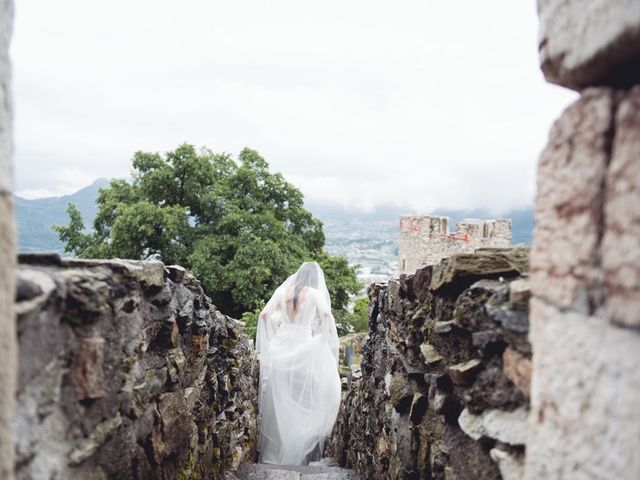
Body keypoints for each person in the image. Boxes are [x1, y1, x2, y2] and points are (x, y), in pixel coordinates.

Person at [255, 261, 342, 465]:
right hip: (303, 349)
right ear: (314, 279)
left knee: (278, 404)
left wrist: (275, 334)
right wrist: (323, 337)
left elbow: (264, 314)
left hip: (280, 349)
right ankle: (297, 447)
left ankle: (273, 455)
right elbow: (327, 314)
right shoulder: (314, 294)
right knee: (303, 398)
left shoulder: (281, 292)